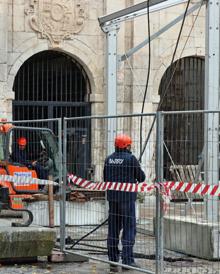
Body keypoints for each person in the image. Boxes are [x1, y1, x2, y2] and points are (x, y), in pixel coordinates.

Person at [103, 134, 146, 272]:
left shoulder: (108, 159)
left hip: (113, 199)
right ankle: (127, 261)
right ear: (126, 145)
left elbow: (105, 178)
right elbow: (141, 177)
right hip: (127, 200)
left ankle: (113, 261)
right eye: (129, 145)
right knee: (129, 228)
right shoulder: (131, 159)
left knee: (113, 229)